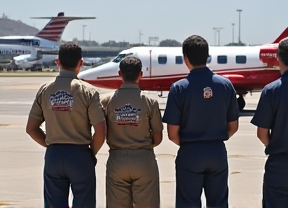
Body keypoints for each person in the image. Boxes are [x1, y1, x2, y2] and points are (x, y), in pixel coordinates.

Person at [162, 35, 239, 208]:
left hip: (190, 152)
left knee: (187, 202)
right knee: (219, 202)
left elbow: (172, 133)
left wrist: (192, 144)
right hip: (217, 151)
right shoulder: (226, 85)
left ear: (186, 58)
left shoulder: (179, 88)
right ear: (207, 56)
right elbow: (233, 126)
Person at [25, 43, 106, 208]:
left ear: (57, 62)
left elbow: (31, 128)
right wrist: (91, 153)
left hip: (54, 155)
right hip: (80, 154)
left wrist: (50, 144)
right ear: (81, 63)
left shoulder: (45, 90)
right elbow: (100, 131)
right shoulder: (88, 92)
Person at [101, 56, 163, 208]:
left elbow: (101, 131)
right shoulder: (150, 102)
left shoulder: (106, 101)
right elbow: (158, 137)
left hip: (117, 159)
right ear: (140, 74)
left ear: (120, 74)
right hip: (144, 158)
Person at [251, 38, 288, 208]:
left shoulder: (271, 90)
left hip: (279, 165)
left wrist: (275, 144)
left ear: (278, 59)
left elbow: (262, 132)